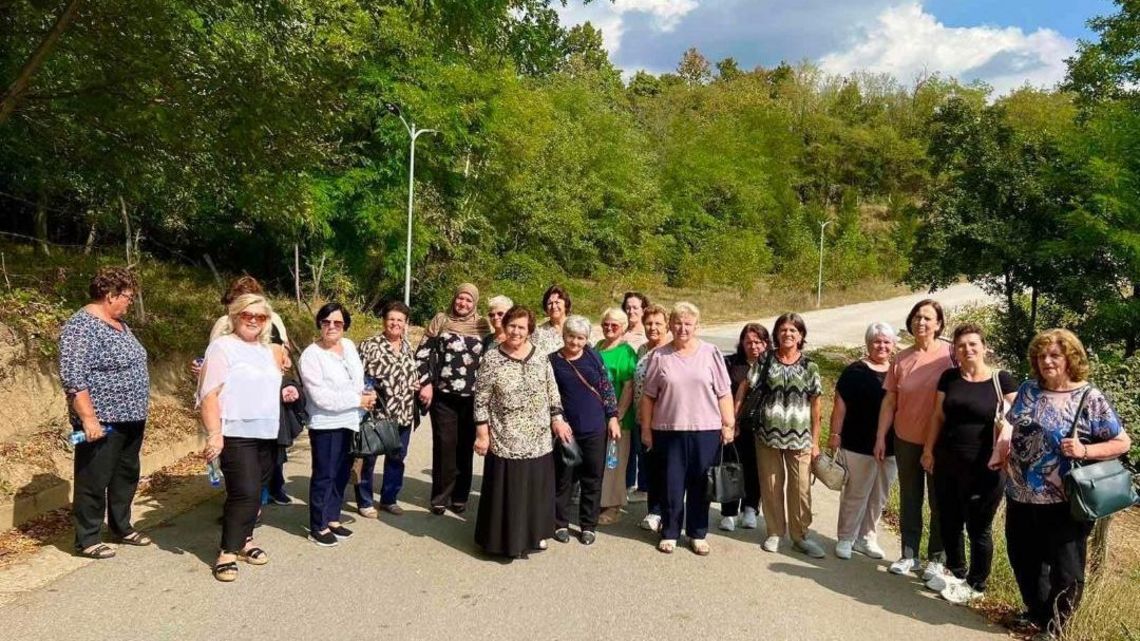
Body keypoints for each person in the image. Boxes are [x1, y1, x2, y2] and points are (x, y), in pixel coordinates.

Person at [999, 329, 1130, 638]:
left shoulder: (1089, 397)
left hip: (1063, 499)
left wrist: (1085, 450)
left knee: (1065, 567)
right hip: (1020, 492)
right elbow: (1012, 425)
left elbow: (1122, 442)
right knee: (1023, 557)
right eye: (1041, 356)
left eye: (1054, 355)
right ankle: (1037, 612)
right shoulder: (1029, 390)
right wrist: (1001, 449)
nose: (1047, 361)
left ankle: (1056, 626)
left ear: (1071, 358)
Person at [198, 294, 297, 581]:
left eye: (260, 316)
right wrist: (214, 434)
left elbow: (265, 387)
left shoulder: (269, 351)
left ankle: (246, 540)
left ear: (267, 322)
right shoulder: (222, 347)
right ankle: (227, 551)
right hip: (235, 430)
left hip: (266, 430)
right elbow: (209, 394)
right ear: (235, 316)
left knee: (259, 490)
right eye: (247, 315)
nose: (253, 320)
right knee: (245, 492)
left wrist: (286, 391)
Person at [920, 323, 1018, 602]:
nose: (967, 349)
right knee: (948, 521)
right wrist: (928, 450)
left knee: (978, 527)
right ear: (955, 351)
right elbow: (937, 417)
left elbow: (1023, 416)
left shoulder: (1002, 380)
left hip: (986, 467)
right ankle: (958, 573)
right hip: (947, 462)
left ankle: (977, 584)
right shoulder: (949, 377)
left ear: (984, 347)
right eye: (961, 346)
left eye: (973, 344)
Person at [59, 267, 151, 559]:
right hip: (103, 420)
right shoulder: (81, 326)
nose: (129, 303)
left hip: (132, 416)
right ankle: (87, 538)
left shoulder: (119, 324)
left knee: (126, 474)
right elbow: (74, 377)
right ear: (110, 295)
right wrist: (88, 418)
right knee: (94, 477)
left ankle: (121, 526)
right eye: (127, 297)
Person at [639, 302, 735, 555]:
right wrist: (646, 430)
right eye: (678, 323)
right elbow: (648, 396)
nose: (683, 328)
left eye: (688, 324)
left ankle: (697, 533)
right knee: (671, 483)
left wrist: (729, 424)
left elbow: (724, 393)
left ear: (697, 326)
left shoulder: (710, 352)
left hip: (706, 430)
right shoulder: (659, 356)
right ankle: (669, 531)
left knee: (700, 484)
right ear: (670, 325)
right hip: (668, 430)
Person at [473, 306, 567, 558]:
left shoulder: (539, 356)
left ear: (529, 331)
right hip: (506, 436)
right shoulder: (492, 358)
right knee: (509, 490)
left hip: (539, 438)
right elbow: (480, 399)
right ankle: (504, 541)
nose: (516, 331)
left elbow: (552, 390)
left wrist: (557, 419)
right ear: (505, 326)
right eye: (512, 325)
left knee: (536, 489)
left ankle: (535, 533)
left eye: (521, 327)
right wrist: (483, 434)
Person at [874, 299, 951, 579]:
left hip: (942, 443)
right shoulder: (901, 358)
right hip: (905, 439)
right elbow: (889, 402)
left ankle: (936, 559)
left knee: (939, 501)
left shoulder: (951, 356)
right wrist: (881, 436)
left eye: (928, 318)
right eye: (917, 317)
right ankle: (909, 555)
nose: (921, 322)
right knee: (910, 498)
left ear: (939, 324)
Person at [750, 313, 825, 557]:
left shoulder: (809, 365)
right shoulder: (765, 360)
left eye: (793, 330)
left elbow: (816, 405)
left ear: (801, 335)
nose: (788, 334)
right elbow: (747, 386)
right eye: (783, 330)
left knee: (801, 487)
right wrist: (732, 420)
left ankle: (800, 536)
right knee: (771, 486)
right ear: (776, 334)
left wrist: (816, 441)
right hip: (767, 434)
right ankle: (774, 532)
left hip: (800, 437)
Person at [300, 303, 375, 546]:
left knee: (342, 472)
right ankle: (318, 525)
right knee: (324, 474)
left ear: (345, 326)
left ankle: (332, 517)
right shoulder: (311, 355)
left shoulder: (350, 347)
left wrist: (367, 394)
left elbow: (357, 378)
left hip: (351, 420)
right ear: (319, 324)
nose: (332, 327)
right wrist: (357, 400)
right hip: (326, 423)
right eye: (326, 322)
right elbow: (320, 397)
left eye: (338, 323)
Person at [416, 283, 490, 515]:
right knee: (444, 445)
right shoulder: (440, 320)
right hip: (443, 396)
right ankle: (440, 496)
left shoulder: (482, 325)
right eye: (460, 299)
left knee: (465, 447)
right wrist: (425, 382)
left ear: (475, 303)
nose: (463, 304)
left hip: (473, 398)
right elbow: (422, 353)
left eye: (469, 300)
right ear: (454, 298)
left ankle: (460, 496)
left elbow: (492, 358)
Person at [829, 322, 898, 561]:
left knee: (879, 495)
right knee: (855, 494)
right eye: (877, 341)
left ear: (893, 345)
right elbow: (840, 405)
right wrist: (835, 435)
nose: (881, 346)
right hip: (857, 442)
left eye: (886, 342)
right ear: (868, 344)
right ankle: (846, 537)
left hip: (891, 445)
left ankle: (866, 537)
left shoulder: (898, 370)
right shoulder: (855, 371)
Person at [549, 315, 621, 545]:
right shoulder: (552, 361)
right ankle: (559, 523)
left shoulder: (593, 355)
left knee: (592, 477)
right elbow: (548, 395)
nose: (575, 342)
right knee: (564, 478)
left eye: (580, 338)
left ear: (587, 339)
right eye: (571, 336)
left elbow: (606, 386)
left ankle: (588, 525)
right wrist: (557, 419)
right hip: (567, 430)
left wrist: (612, 417)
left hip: (595, 427)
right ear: (564, 336)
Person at [355, 301, 421, 517]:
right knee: (369, 457)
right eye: (391, 319)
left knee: (397, 458)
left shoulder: (408, 346)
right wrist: (366, 391)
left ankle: (389, 499)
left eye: (400, 320)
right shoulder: (370, 344)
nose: (395, 323)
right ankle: (364, 500)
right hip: (377, 412)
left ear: (406, 323)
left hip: (403, 412)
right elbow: (357, 375)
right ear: (384, 321)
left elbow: (410, 372)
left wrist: (415, 383)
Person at [719, 322, 768, 532]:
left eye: (758, 342)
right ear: (741, 343)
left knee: (755, 468)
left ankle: (750, 508)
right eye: (748, 342)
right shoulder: (730, 363)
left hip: (760, 426)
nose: (753, 346)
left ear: (766, 343)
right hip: (733, 424)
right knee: (731, 466)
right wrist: (729, 421)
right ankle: (729, 512)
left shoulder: (771, 365)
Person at [594, 308, 637, 524]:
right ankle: (598, 502)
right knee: (600, 462)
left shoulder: (626, 352)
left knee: (614, 463)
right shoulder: (597, 347)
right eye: (605, 324)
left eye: (614, 325)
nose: (609, 328)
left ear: (623, 328)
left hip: (618, 419)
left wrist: (617, 417)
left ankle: (613, 506)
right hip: (595, 417)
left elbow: (629, 387)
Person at [634, 304, 670, 532]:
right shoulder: (642, 349)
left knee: (667, 468)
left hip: (665, 419)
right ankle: (653, 510)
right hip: (641, 419)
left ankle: (665, 512)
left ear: (667, 325)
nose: (653, 327)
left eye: (658, 323)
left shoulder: (672, 350)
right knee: (650, 467)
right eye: (649, 323)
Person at [531, 284, 570, 356]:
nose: (554, 306)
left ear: (566, 304)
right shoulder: (539, 332)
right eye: (550, 303)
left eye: (557, 302)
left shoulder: (578, 326)